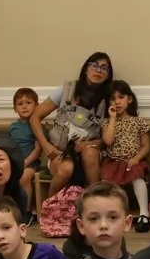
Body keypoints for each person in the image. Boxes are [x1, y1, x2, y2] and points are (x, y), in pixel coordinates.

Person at [29, 52, 114, 196]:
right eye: (95, 65)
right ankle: (50, 210)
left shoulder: (109, 99)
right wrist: (46, 145)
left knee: (89, 154)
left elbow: (106, 139)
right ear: (86, 69)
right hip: (60, 152)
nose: (99, 70)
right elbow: (34, 117)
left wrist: (89, 145)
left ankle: (95, 203)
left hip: (89, 153)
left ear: (107, 75)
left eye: (104, 68)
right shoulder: (67, 89)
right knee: (66, 169)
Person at [57, 182, 133, 259]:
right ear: (81, 226)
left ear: (127, 223)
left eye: (113, 217)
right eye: (93, 218)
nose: (103, 225)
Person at [100, 81, 150, 231]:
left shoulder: (138, 122)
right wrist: (112, 118)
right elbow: (108, 141)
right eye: (112, 98)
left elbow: (146, 146)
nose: (117, 102)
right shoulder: (107, 123)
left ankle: (144, 214)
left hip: (134, 161)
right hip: (114, 162)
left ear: (129, 99)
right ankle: (114, 214)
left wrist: (137, 158)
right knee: (108, 185)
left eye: (121, 97)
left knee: (137, 179)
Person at [8, 88, 43, 210]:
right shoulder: (13, 127)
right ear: (14, 108)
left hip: (31, 164)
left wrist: (25, 163)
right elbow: (9, 146)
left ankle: (26, 211)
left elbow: (38, 150)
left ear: (37, 105)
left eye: (28, 103)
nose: (24, 107)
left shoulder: (37, 126)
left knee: (24, 177)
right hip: (14, 162)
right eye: (20, 104)